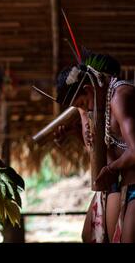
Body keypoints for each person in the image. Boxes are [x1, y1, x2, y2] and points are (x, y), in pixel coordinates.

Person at [54, 51, 135, 243]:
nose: (85, 109)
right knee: (89, 236)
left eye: (82, 103)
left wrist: (110, 169)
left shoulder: (119, 97)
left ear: (90, 89)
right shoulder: (101, 106)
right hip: (125, 183)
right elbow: (104, 152)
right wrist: (78, 129)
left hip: (131, 184)